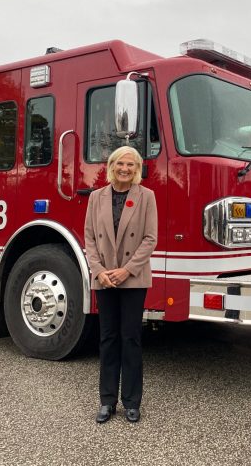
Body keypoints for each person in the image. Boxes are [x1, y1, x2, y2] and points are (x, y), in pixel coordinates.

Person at [84, 146, 158, 424]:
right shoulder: (96, 197)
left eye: (130, 164)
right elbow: (89, 238)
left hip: (133, 278)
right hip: (104, 279)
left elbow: (150, 239)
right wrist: (99, 271)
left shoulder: (146, 196)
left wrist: (126, 271)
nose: (124, 168)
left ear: (136, 168)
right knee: (107, 338)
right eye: (120, 164)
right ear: (111, 166)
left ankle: (131, 402)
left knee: (131, 339)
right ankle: (106, 401)